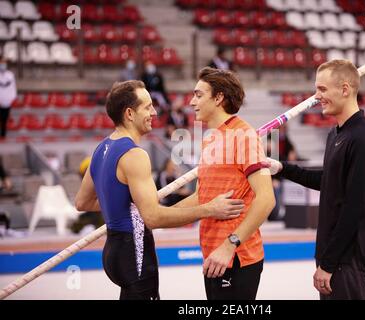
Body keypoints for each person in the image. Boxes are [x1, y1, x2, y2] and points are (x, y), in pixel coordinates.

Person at [75, 80, 245, 300]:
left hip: (113, 253)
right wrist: (210, 209)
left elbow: (82, 202)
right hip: (135, 255)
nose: (154, 112)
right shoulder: (134, 155)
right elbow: (154, 218)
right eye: (147, 107)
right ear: (129, 113)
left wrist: (127, 207)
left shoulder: (101, 149)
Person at [270, 60, 365, 300]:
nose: (316, 96)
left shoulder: (362, 137)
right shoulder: (337, 133)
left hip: (351, 261)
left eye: (322, 89)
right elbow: (328, 181)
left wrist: (329, 264)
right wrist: (280, 167)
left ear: (344, 89)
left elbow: (354, 208)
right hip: (336, 258)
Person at [175, 67, 275, 300]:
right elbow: (202, 197)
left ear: (219, 97)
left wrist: (230, 245)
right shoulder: (211, 138)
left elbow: (267, 198)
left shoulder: (244, 136)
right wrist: (156, 215)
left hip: (236, 257)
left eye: (199, 95)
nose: (191, 102)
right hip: (213, 254)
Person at [0, 56, 17, 138]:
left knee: (4, 119)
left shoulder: (10, 75)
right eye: (1, 62)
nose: (2, 64)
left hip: (7, 101)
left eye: (4, 63)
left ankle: (3, 135)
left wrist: (11, 99)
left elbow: (12, 87)